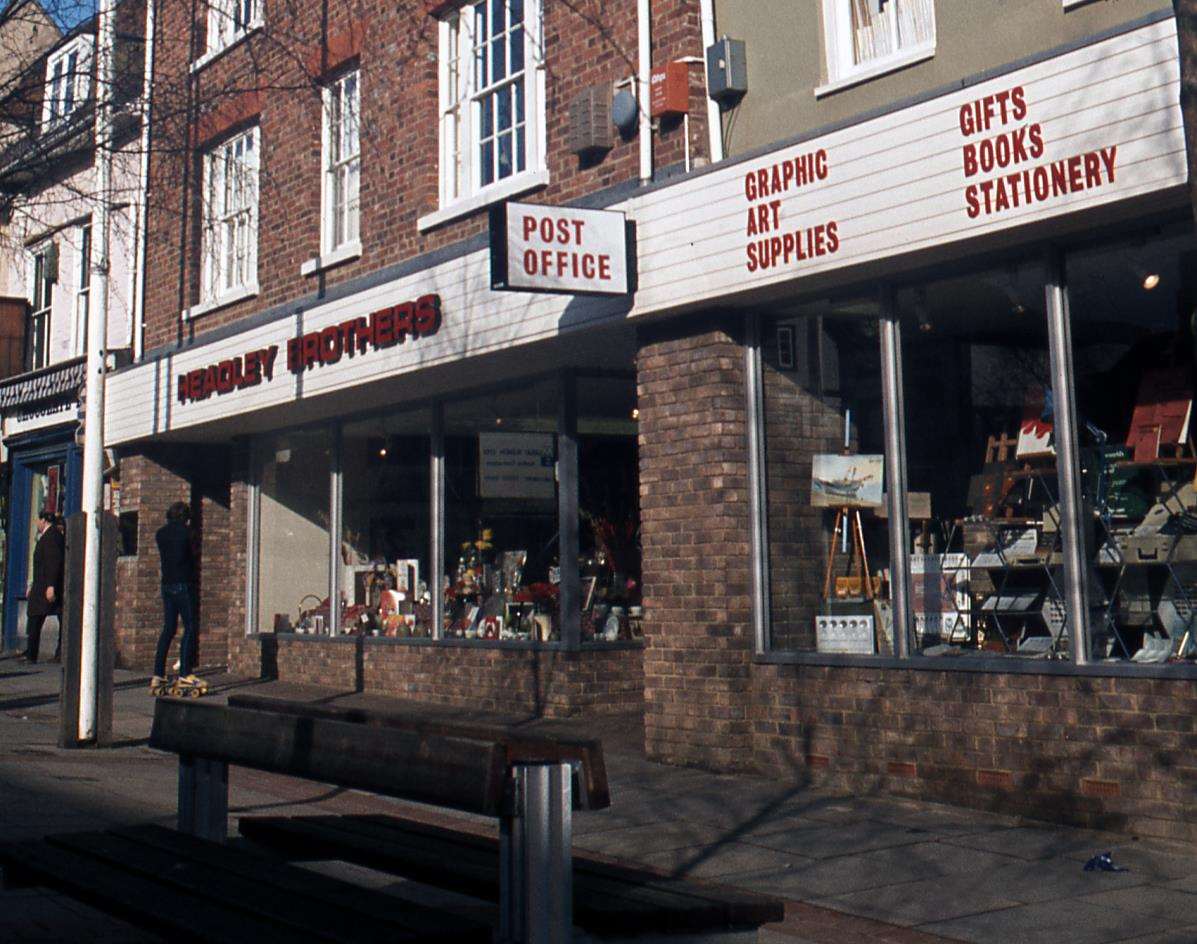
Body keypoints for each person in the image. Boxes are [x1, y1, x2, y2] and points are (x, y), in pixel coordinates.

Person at [151, 502, 206, 695]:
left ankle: (158, 673)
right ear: (185, 517)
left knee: (168, 628)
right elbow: (192, 556)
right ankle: (185, 673)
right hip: (184, 583)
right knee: (190, 626)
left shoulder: (161, 534)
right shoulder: (188, 533)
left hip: (167, 583)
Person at [23, 508, 65, 663]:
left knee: (36, 616)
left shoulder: (51, 537)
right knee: (38, 617)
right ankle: (32, 651)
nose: (36, 523)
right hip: (42, 584)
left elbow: (53, 562)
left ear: (44, 520)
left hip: (46, 586)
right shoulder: (49, 536)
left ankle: (32, 653)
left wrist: (51, 585)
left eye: (37, 520)